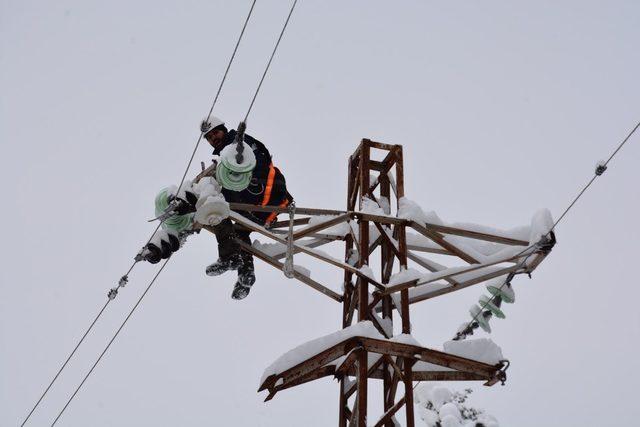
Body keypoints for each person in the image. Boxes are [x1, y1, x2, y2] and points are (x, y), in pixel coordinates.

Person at [200, 116, 293, 300]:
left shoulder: (239, 144)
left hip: (267, 197)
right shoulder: (225, 157)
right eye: (209, 137)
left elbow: (261, 160)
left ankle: (229, 258)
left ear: (224, 130)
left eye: (216, 132)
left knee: (215, 203)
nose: (214, 138)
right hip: (254, 206)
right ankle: (245, 275)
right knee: (236, 231)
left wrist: (240, 176)